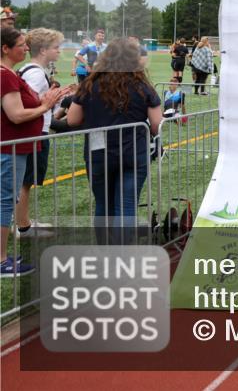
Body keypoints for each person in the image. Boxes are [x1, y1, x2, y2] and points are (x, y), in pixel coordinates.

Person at [67, 39, 162, 231]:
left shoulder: (89, 84)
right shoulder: (143, 87)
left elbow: (72, 120)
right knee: (126, 207)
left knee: (103, 205)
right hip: (133, 151)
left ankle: (105, 255)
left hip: (98, 151)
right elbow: (156, 125)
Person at [1, 28, 67, 276]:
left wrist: (47, 100)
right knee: (9, 197)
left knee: (11, 196)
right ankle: (3, 257)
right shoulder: (7, 75)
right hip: (13, 145)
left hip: (16, 145)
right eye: (20, 44)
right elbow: (16, 113)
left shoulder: (10, 74)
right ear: (6, 48)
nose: (25, 47)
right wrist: (46, 105)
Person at [15, 28, 68, 239]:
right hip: (35, 131)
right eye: (56, 48)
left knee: (24, 181)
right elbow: (26, 103)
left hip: (35, 130)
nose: (59, 52)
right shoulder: (36, 74)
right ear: (43, 50)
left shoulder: (29, 69)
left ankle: (23, 220)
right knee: (25, 182)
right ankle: (23, 226)